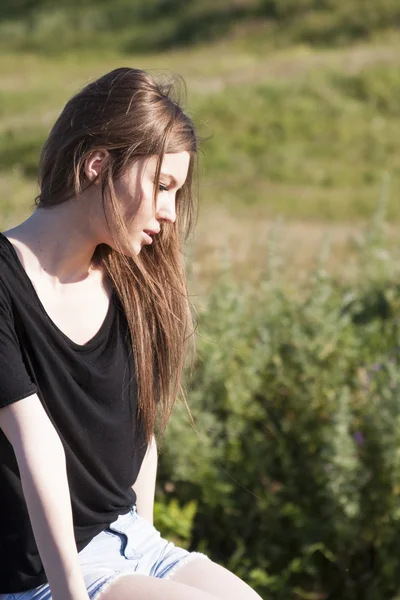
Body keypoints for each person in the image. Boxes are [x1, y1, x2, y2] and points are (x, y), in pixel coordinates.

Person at [0, 68, 262, 600]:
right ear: (98, 165)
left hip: (133, 544)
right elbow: (37, 447)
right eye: (162, 186)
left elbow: (142, 438)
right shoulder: (5, 281)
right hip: (49, 573)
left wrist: (146, 555)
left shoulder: (128, 280)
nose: (169, 213)